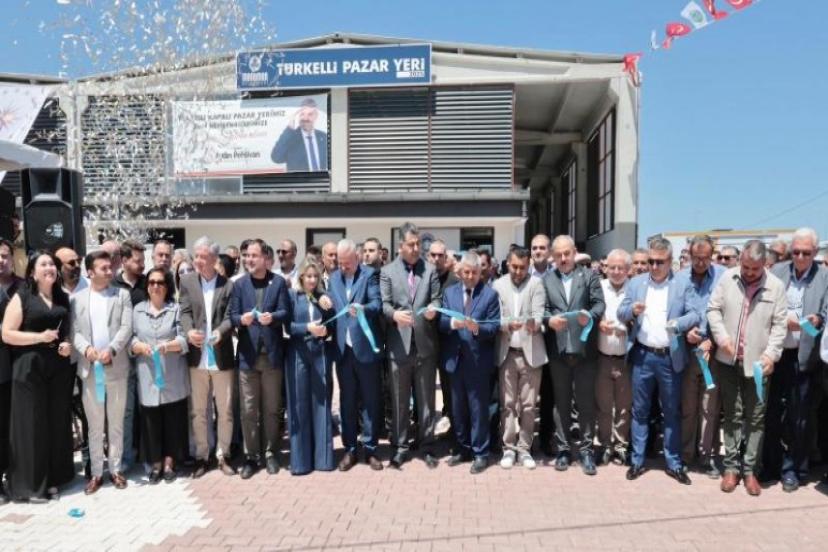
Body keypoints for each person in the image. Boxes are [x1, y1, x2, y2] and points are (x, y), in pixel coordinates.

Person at [707, 240, 788, 496]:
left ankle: (751, 470)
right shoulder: (727, 278)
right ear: (740, 260)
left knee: (756, 417)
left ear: (765, 264)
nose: (750, 273)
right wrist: (722, 337)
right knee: (732, 414)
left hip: (759, 364)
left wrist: (771, 355)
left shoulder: (776, 287)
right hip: (728, 361)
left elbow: (779, 326)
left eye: (755, 269)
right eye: (746, 267)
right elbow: (713, 309)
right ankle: (731, 468)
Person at [618, 237, 698, 485]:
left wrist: (678, 324)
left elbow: (695, 313)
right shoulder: (636, 283)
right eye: (650, 261)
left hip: (669, 358)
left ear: (670, 261)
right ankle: (637, 460)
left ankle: (673, 463)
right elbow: (621, 312)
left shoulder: (682, 284)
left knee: (671, 412)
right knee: (640, 411)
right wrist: (631, 311)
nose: (653, 266)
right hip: (643, 356)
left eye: (659, 262)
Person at [1, 250, 74, 503]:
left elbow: (66, 331)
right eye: (43, 264)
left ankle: (53, 479)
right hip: (29, 367)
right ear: (32, 272)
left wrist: (67, 344)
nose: (49, 268)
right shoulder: (23, 296)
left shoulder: (63, 297)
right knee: (32, 426)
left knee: (56, 423)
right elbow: (7, 333)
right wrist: (39, 337)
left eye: (52, 264)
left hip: (58, 368)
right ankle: (31, 486)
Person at [763, 227, 828, 492]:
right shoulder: (777, 272)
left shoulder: (824, 277)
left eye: (806, 253)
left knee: (799, 417)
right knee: (770, 414)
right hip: (776, 354)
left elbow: (826, 312)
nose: (800, 257)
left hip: (804, 357)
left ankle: (794, 469)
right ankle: (771, 465)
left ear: (815, 253)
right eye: (796, 252)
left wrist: (818, 319)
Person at [541, 235, 605, 475]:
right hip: (558, 352)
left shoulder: (589, 276)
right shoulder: (547, 280)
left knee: (586, 403)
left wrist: (590, 315)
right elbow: (543, 309)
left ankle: (587, 451)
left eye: (566, 254)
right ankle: (564, 450)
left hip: (584, 351)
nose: (563, 259)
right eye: (558, 255)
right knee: (561, 404)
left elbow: (599, 304)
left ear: (574, 252)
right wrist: (549, 320)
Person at [72, 250, 133, 494]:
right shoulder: (77, 299)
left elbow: (126, 327)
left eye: (110, 267)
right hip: (90, 370)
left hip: (116, 367)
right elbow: (74, 331)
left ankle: (116, 469)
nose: (110, 271)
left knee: (116, 422)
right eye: (103, 268)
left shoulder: (122, 295)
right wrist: (86, 349)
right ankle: (97, 473)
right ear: (90, 272)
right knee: (95, 425)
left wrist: (113, 349)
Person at [381, 223, 442, 469]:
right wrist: (394, 315)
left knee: (427, 400)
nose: (416, 248)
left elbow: (437, 298)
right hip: (399, 346)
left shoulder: (430, 270)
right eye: (411, 244)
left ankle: (427, 446)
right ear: (400, 246)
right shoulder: (387, 271)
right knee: (399, 400)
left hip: (425, 346)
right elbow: (384, 304)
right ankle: (400, 447)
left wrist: (434, 309)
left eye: (418, 244)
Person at [228, 239, 290, 479]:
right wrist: (241, 320)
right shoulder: (239, 284)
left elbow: (285, 312)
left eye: (254, 256)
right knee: (248, 410)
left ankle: (271, 453)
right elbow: (232, 316)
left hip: (271, 357)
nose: (249, 260)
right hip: (248, 357)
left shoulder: (278, 283)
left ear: (265, 258)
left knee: (272, 409)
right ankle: (251, 456)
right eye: (246, 256)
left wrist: (273, 317)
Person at [179, 237, 237, 478]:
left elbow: (231, 316)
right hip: (197, 357)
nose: (198, 261)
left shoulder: (228, 285)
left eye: (203, 257)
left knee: (225, 410)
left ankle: (223, 455)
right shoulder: (187, 281)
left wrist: (220, 332)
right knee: (198, 411)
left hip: (221, 357)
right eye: (196, 256)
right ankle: (202, 455)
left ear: (214, 259)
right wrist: (189, 331)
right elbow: (184, 311)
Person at [439, 251, 500, 474]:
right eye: (466, 272)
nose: (470, 276)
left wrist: (478, 329)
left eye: (474, 272)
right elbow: (441, 321)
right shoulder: (450, 293)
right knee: (458, 409)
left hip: (478, 362)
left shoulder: (489, 295)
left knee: (478, 410)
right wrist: (452, 324)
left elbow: (494, 326)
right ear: (460, 272)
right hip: (455, 361)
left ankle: (480, 452)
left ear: (480, 272)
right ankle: (462, 448)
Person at [327, 239, 384, 471]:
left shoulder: (369, 275)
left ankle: (370, 449)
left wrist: (363, 309)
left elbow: (377, 304)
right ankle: (350, 449)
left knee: (370, 401)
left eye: (347, 263)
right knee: (347, 402)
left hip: (365, 348)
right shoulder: (333, 278)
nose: (343, 267)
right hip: (343, 350)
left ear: (357, 258)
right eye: (340, 263)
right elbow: (330, 308)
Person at [130, 267, 189, 484]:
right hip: (148, 375)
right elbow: (131, 338)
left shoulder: (175, 309)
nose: (156, 286)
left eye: (160, 282)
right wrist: (138, 346)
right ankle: (155, 464)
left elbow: (184, 339)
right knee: (151, 421)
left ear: (167, 286)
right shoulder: (137, 310)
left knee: (173, 420)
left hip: (172, 373)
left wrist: (168, 346)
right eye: (152, 282)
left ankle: (169, 463)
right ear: (147, 286)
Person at [492, 247, 546, 470]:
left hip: (530, 353)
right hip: (506, 353)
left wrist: (534, 323)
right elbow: (494, 318)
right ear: (507, 264)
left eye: (523, 267)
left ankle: (524, 449)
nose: (518, 271)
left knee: (528, 405)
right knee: (507, 404)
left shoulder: (536, 284)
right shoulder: (497, 285)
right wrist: (506, 324)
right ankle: (508, 448)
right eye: (514, 266)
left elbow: (539, 313)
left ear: (528, 266)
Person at [678, 235, 726, 477]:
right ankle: (686, 454)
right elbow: (673, 312)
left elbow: (728, 313)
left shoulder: (723, 277)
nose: (700, 263)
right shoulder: (679, 278)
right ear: (689, 255)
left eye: (705, 258)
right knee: (688, 408)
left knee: (709, 408)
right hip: (687, 353)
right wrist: (686, 332)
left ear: (712, 255)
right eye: (696, 258)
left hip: (712, 354)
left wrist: (712, 340)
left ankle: (707, 456)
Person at [285, 259, 336, 475]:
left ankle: (323, 459)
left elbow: (333, 323)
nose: (312, 280)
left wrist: (326, 330)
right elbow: (287, 326)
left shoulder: (323, 298)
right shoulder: (292, 297)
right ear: (301, 277)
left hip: (320, 353)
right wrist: (307, 327)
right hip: (297, 354)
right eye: (309, 276)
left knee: (321, 404)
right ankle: (301, 462)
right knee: (299, 405)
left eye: (316, 276)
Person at [595, 249, 633, 466]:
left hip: (626, 359)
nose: (616, 271)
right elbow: (591, 314)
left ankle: (620, 446)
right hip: (603, 357)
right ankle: (605, 445)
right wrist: (599, 324)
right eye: (612, 267)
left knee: (624, 407)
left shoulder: (635, 289)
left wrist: (626, 328)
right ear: (605, 268)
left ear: (628, 270)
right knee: (604, 406)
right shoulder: (598, 287)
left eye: (621, 268)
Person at [112, 238, 147, 472]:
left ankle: (147, 454)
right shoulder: (112, 286)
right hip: (121, 357)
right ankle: (124, 458)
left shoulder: (149, 283)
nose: (142, 264)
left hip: (146, 355)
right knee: (125, 410)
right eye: (137, 260)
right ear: (124, 261)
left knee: (147, 408)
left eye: (143, 260)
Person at [0, 239, 24, 503]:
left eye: (5, 255)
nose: (1, 260)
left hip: (20, 369)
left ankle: (15, 476)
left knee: (12, 427)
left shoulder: (23, 287)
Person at [270, 97, 328, 172]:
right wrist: (290, 128)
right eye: (302, 114)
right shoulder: (291, 138)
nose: (305, 118)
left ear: (316, 116)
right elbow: (276, 158)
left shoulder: (323, 137)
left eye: (310, 114)